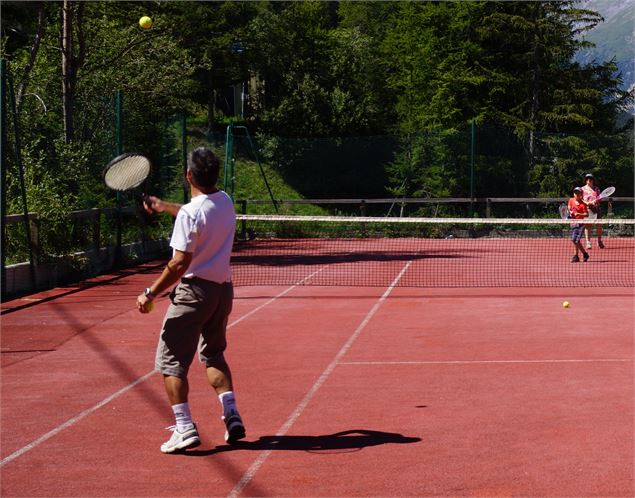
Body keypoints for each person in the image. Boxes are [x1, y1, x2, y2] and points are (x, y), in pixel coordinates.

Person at [136, 147, 246, 453]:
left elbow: (180, 262)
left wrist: (150, 292)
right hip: (222, 293)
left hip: (193, 293)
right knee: (213, 356)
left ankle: (184, 428)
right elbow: (195, 212)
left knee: (171, 364)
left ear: (188, 176)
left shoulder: (189, 214)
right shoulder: (224, 201)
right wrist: (162, 206)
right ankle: (232, 413)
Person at [580, 173, 604, 249]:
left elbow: (600, 198)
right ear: (585, 180)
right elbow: (580, 199)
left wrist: (596, 201)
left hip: (597, 209)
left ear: (593, 180)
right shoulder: (582, 189)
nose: (589, 180)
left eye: (590, 178)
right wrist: (587, 203)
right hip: (587, 209)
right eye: (587, 179)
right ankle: (588, 243)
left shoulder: (597, 189)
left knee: (599, 226)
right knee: (588, 226)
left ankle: (599, 241)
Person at [567, 187, 590, 263]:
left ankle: (577, 255)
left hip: (580, 224)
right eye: (575, 193)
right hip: (573, 223)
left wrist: (579, 213)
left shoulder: (583, 204)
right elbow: (569, 208)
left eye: (578, 193)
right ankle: (582, 255)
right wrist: (570, 212)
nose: (576, 194)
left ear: (581, 195)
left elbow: (587, 214)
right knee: (576, 240)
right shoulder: (571, 200)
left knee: (575, 240)